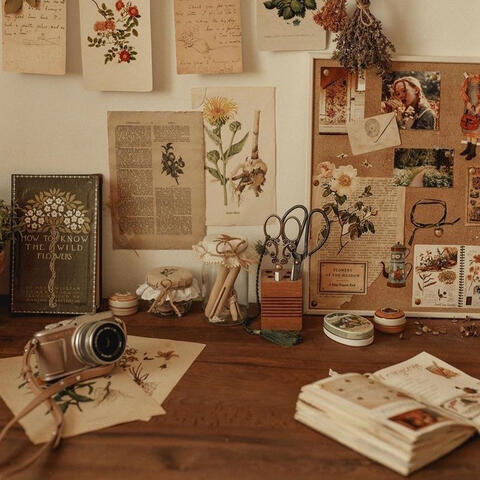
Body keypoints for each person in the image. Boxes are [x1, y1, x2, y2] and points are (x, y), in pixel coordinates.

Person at [460, 73, 480, 161]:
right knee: (467, 125)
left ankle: (472, 151)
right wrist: (467, 102)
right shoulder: (468, 79)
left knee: (475, 128)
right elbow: (464, 91)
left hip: (478, 107)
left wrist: (479, 107)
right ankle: (468, 148)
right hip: (469, 106)